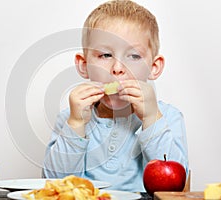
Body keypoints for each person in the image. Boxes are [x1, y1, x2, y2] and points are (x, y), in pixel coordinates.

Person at [42, 0, 188, 192]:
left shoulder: (168, 118)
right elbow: (54, 186)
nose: (118, 69)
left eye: (134, 56)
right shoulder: (70, 119)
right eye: (105, 55)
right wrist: (76, 124)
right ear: (84, 65)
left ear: (154, 67)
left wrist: (151, 118)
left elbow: (176, 187)